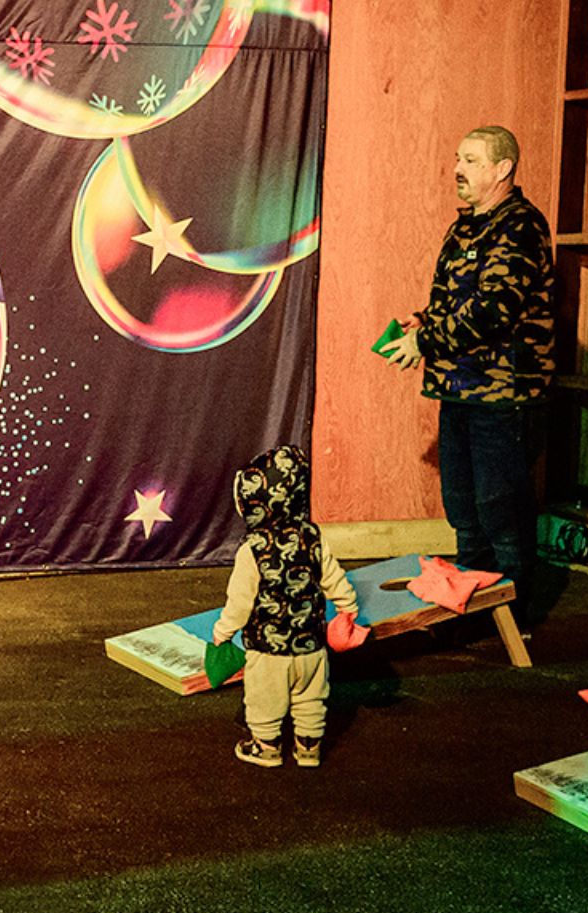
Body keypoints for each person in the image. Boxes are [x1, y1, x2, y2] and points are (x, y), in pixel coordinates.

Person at [386, 125, 556, 585]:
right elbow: (461, 300)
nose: (458, 169)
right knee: (464, 511)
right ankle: (474, 604)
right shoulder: (465, 225)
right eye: (458, 158)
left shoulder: (521, 225)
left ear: (503, 169)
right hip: (459, 389)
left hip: (502, 396)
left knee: (501, 513)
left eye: (472, 161)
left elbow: (495, 308)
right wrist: (425, 320)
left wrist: (425, 342)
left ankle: (515, 616)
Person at [208, 445, 361, 769]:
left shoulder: (253, 550)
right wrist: (348, 607)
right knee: (310, 698)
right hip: (311, 646)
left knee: (264, 700)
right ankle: (309, 749)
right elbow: (333, 576)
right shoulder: (312, 537)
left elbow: (240, 601)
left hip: (268, 651)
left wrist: (223, 631)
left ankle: (267, 748)